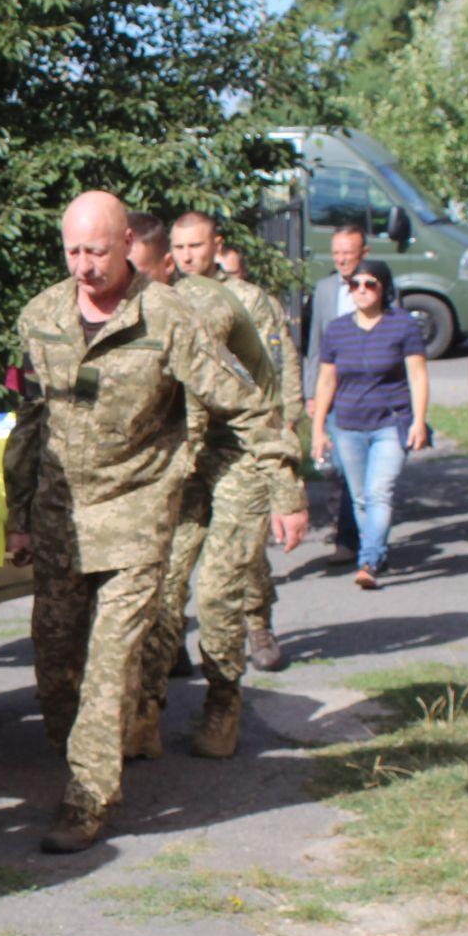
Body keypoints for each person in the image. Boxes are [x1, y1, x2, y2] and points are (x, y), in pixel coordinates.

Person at [4, 193, 305, 854]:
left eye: (97, 252)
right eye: (73, 252)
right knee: (55, 662)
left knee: (113, 662)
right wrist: (17, 516)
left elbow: (246, 404)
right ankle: (80, 753)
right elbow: (29, 421)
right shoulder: (41, 316)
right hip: (61, 518)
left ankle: (87, 798)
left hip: (137, 513)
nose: (84, 267)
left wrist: (286, 486)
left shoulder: (168, 317)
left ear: (127, 246)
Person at [120, 213, 294, 761]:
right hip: (188, 456)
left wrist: (288, 487)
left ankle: (222, 702)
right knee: (163, 584)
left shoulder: (208, 305)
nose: (130, 282)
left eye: (140, 271)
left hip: (240, 450)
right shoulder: (133, 306)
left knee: (219, 589)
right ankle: (146, 710)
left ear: (165, 266)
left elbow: (199, 402)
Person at [171, 212, 302, 674]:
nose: (188, 256)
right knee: (176, 552)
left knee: (240, 551)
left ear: (217, 245)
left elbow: (276, 368)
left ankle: (258, 622)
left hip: (241, 443)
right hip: (189, 445)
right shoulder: (168, 298)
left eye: (196, 246)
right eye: (179, 247)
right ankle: (170, 640)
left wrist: (285, 430)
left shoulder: (247, 299)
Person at [310, 258, 430, 587]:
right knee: (361, 497)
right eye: (355, 284)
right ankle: (376, 551)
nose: (361, 290)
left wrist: (419, 421)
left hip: (390, 422)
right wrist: (318, 428)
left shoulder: (402, 325)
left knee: (379, 492)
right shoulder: (337, 330)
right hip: (347, 424)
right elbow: (326, 381)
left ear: (383, 288)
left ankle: (369, 561)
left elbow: (418, 376)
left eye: (369, 284)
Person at [305, 222, 369, 563]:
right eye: (337, 253)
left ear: (363, 254)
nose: (342, 259)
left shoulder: (378, 286)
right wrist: (311, 393)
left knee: (360, 468)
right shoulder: (325, 289)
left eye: (348, 253)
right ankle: (348, 537)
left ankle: (360, 536)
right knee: (341, 466)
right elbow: (315, 345)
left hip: (369, 393)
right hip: (333, 391)